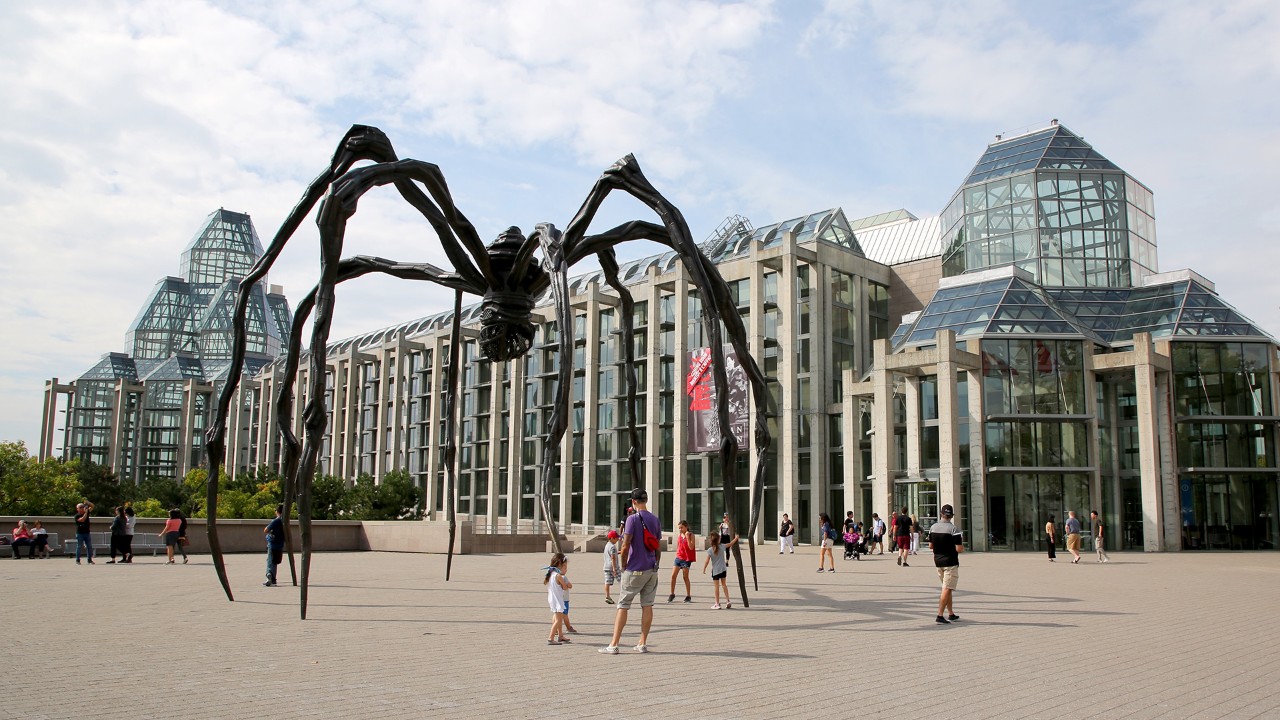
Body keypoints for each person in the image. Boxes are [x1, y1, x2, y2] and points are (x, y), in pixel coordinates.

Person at [599, 487, 661, 655]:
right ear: (646, 501)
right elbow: (658, 547)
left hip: (634, 569)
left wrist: (623, 565)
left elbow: (625, 545)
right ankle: (642, 643)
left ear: (634, 502)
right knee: (647, 605)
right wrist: (656, 565)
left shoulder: (632, 519)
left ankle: (614, 644)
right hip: (651, 569)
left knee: (623, 605)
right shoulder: (655, 520)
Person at [928, 503, 963, 624]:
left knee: (947, 588)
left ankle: (951, 613)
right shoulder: (954, 529)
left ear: (941, 514)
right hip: (950, 562)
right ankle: (940, 615)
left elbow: (930, 545)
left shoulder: (933, 527)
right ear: (951, 516)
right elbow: (959, 549)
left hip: (938, 561)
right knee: (947, 588)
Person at [702, 530, 736, 608]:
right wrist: (736, 538)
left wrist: (704, 569)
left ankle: (717, 603)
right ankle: (728, 601)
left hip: (715, 571)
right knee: (724, 585)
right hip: (723, 569)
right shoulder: (722, 546)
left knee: (716, 587)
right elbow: (730, 544)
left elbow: (707, 561)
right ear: (718, 539)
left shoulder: (710, 550)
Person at [544, 552, 573, 645]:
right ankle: (551, 637)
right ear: (559, 565)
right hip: (557, 600)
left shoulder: (550, 574)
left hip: (552, 598)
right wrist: (566, 584)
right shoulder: (558, 576)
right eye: (565, 566)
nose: (566, 569)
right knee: (558, 620)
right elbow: (565, 587)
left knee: (558, 618)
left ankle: (560, 636)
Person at [668, 520, 695, 603]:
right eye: (679, 528)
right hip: (679, 557)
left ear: (686, 527)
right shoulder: (680, 535)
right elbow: (679, 545)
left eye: (681, 528)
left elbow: (691, 547)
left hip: (686, 559)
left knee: (685, 577)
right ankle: (672, 594)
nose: (680, 529)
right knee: (673, 576)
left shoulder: (691, 535)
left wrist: (687, 537)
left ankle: (688, 595)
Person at [264, 504, 285, 586]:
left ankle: (270, 576)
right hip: (280, 544)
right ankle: (273, 578)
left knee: (270, 561)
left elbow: (266, 530)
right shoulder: (284, 521)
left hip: (273, 544)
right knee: (275, 561)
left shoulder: (276, 521)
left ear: (277, 511)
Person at [602, 529, 620, 604]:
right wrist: (614, 569)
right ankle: (624, 595)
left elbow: (613, 554)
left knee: (607, 582)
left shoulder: (607, 545)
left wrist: (620, 552)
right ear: (612, 538)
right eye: (616, 538)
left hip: (606, 567)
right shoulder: (612, 547)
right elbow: (613, 557)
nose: (617, 539)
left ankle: (607, 596)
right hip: (613, 567)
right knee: (621, 581)